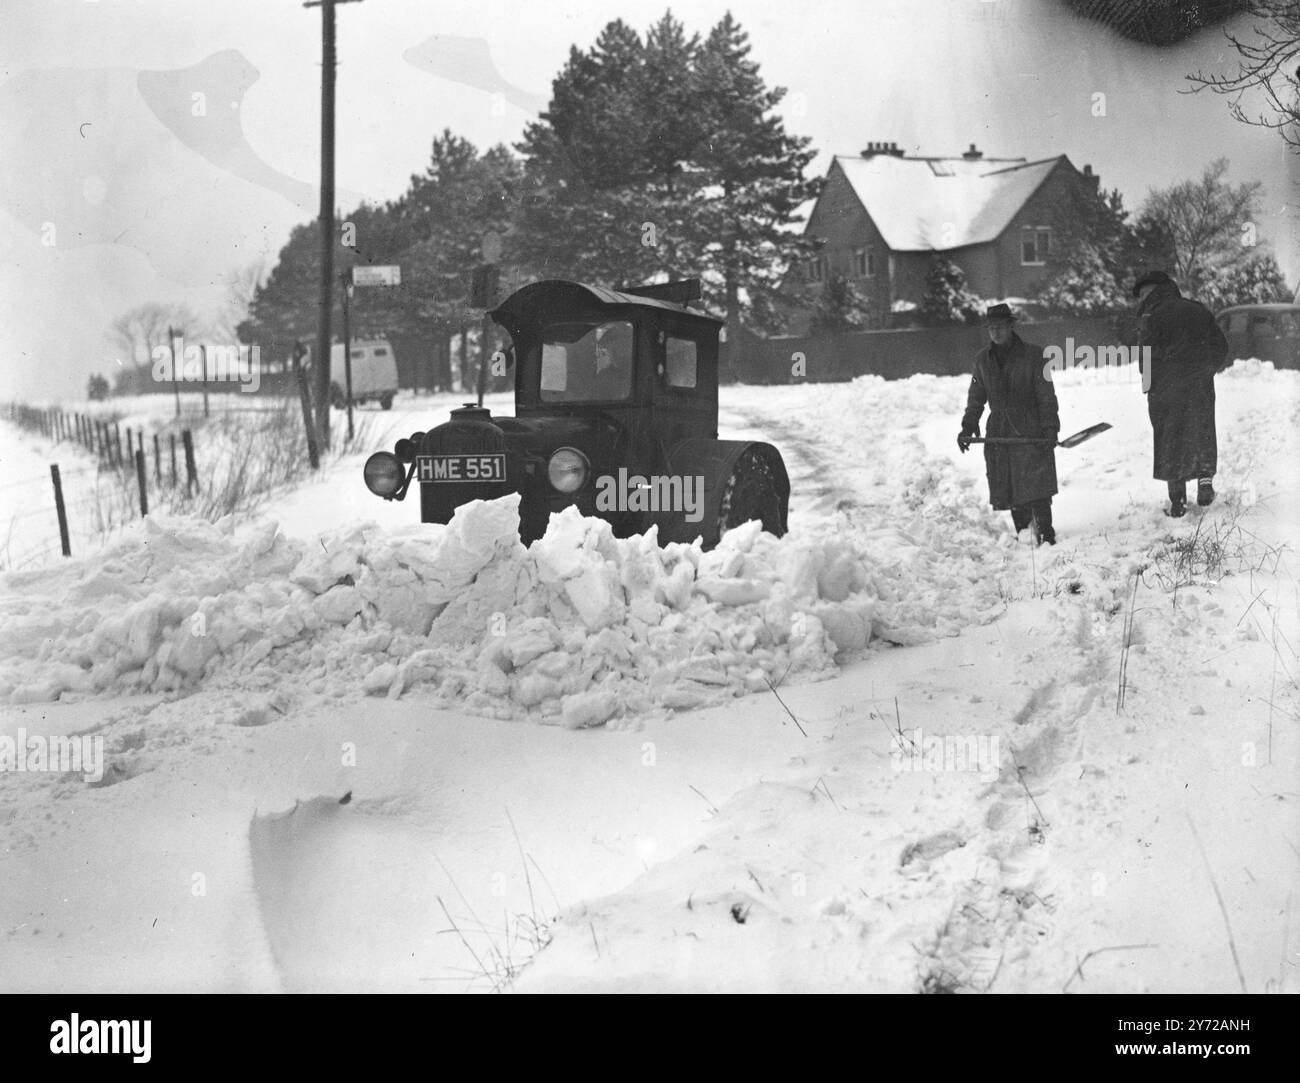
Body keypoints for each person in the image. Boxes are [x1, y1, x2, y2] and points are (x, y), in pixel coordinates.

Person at [957, 303, 1060, 544]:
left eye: (1000, 327)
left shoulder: (1035, 356)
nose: (995, 332)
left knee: (1036, 484)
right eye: (991, 328)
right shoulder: (982, 360)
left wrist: (1050, 428)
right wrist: (968, 424)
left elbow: (1047, 396)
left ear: (1011, 326)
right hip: (1000, 432)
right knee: (1009, 482)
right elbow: (976, 397)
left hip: (1030, 428)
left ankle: (1046, 533)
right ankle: (1024, 534)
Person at [1132, 270, 1230, 517]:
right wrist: (1207, 370)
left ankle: (1178, 502)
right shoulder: (1197, 309)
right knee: (1201, 430)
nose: (1140, 299)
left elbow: (1146, 357)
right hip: (1199, 385)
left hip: (1166, 388)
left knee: (1170, 440)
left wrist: (1149, 387)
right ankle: (1205, 480)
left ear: (1153, 290)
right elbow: (1221, 346)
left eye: (1142, 293)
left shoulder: (1151, 315)